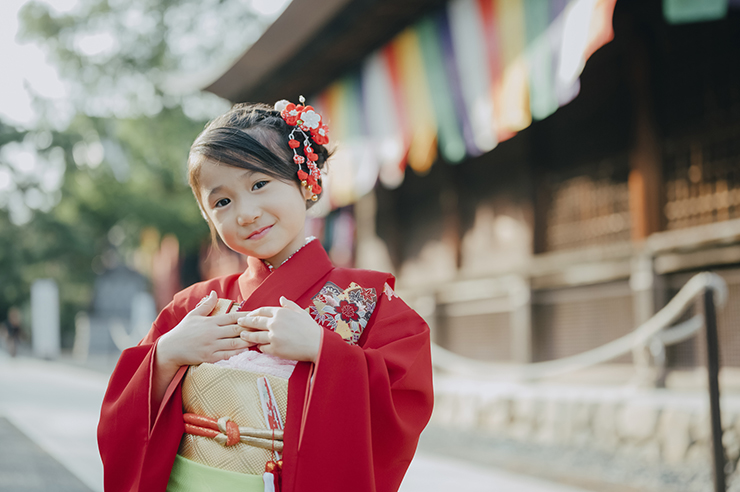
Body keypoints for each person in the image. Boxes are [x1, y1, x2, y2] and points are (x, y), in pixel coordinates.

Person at [97, 100, 434, 492]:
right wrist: (168, 354)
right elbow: (122, 420)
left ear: (306, 180)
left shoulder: (367, 301)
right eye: (222, 201)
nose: (245, 213)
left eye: (259, 184)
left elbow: (405, 400)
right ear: (209, 218)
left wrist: (323, 349)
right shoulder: (192, 306)